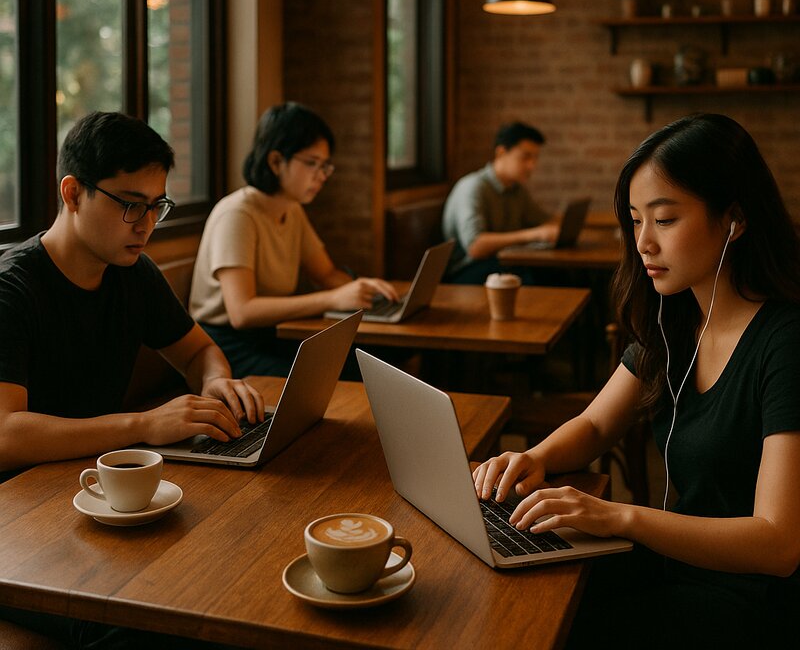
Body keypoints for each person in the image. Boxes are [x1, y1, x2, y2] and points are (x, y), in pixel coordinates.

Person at [473, 113, 800, 648]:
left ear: (734, 221)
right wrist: (536, 457)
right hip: (673, 562)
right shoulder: (673, 319)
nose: (643, 242)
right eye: (634, 219)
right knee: (514, 597)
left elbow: (778, 542)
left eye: (665, 220)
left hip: (751, 598)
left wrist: (619, 516)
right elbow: (597, 425)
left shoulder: (785, 341)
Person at [0, 111, 259, 648]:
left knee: (229, 570)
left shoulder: (132, 273)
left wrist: (214, 382)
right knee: (150, 623)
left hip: (99, 502)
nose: (145, 224)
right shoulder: (12, 289)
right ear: (72, 193)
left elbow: (201, 352)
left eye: (156, 206)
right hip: (15, 522)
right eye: (129, 205)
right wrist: (142, 423)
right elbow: (5, 435)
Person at [189, 102, 398, 377]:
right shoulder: (237, 214)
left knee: (370, 362)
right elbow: (242, 312)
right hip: (224, 347)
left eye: (325, 166)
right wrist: (334, 299)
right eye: (311, 163)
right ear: (276, 161)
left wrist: (366, 292)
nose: (321, 176)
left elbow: (325, 273)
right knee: (330, 378)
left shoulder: (291, 209)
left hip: (272, 334)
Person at [441, 121, 559, 283]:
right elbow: (475, 246)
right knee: (536, 278)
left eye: (535, 158)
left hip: (503, 263)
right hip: (468, 271)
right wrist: (534, 234)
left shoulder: (517, 190)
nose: (532, 165)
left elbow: (544, 221)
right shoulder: (473, 187)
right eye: (525, 157)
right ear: (501, 153)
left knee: (560, 273)